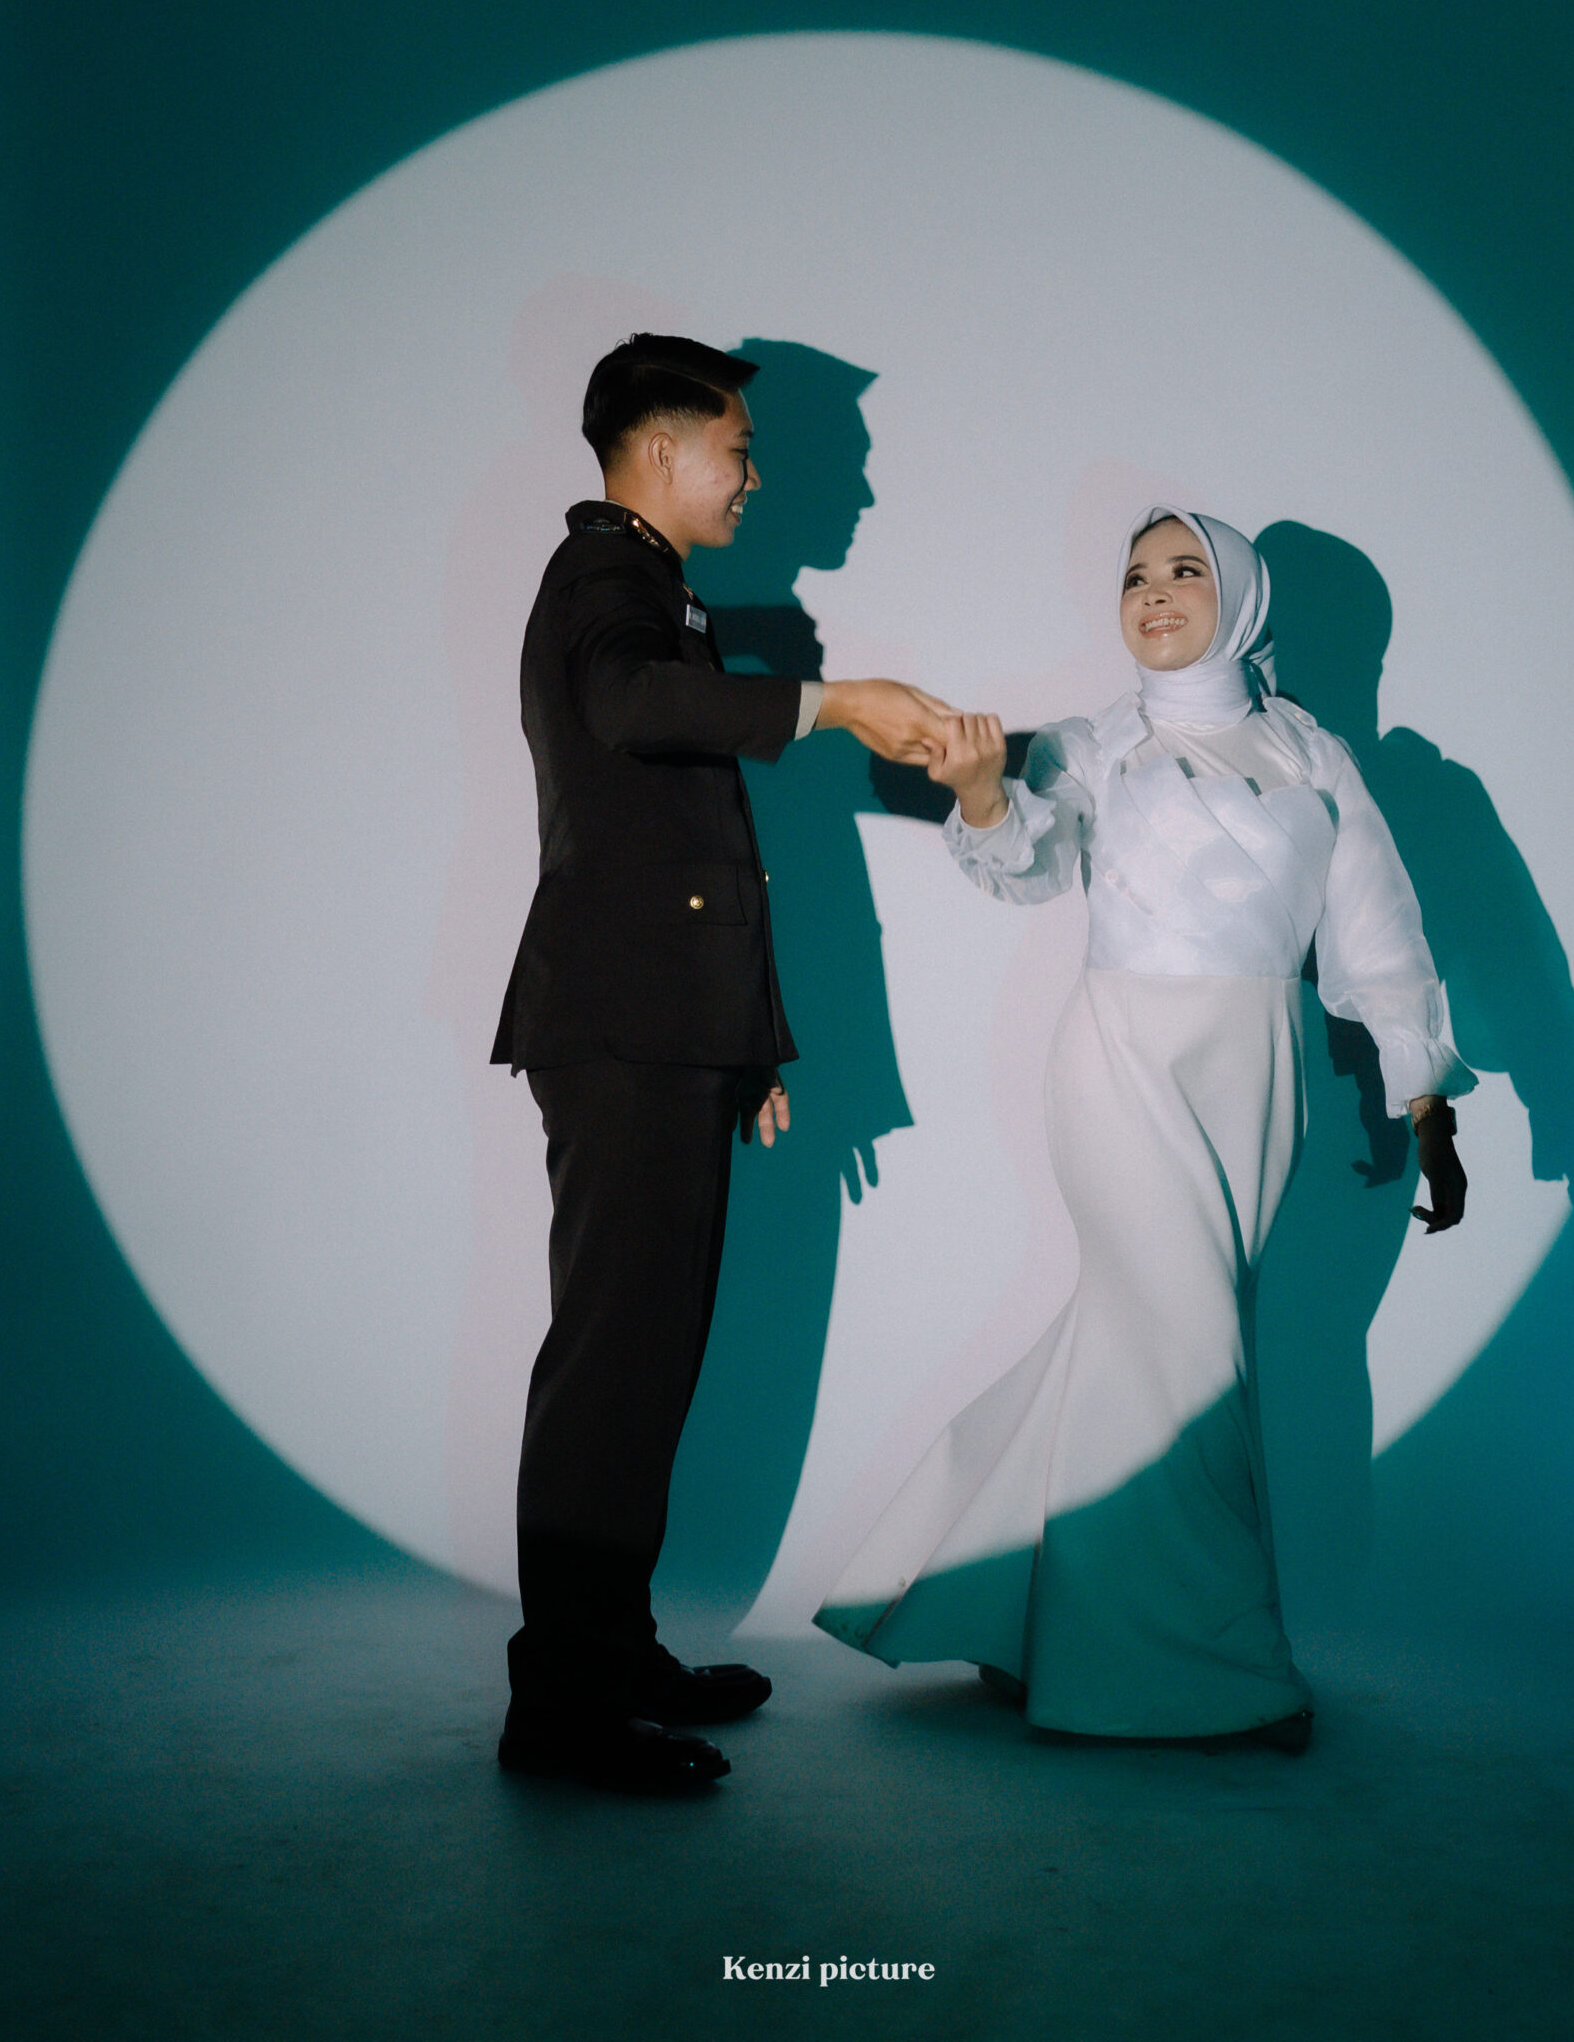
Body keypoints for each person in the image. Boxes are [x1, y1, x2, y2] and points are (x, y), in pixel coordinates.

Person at [815, 506, 1473, 1750]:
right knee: (1189, 1358)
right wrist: (982, 795)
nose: (1155, 593)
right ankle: (1210, 1671)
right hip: (1118, 1062)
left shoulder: (1315, 754)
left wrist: (1425, 1101)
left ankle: (1008, 1606)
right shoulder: (1094, 744)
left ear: (1244, 598)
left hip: (1258, 1076)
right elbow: (1021, 865)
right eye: (1136, 576)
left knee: (1134, 1346)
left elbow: (1380, 935)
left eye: (1185, 571)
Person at [491, 332, 949, 1793]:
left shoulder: (655, 591)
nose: (757, 478)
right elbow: (631, 710)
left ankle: (609, 1654)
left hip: (664, 1030)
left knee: (645, 1368)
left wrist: (748, 1038)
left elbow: (693, 844)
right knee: (610, 1373)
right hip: (621, 1032)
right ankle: (563, 1711)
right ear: (658, 449)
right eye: (738, 450)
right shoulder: (602, 578)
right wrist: (833, 701)